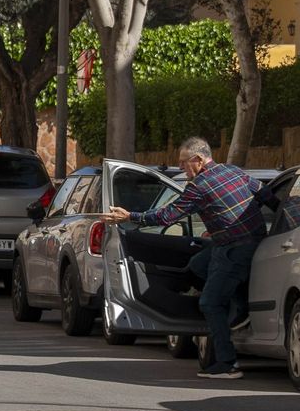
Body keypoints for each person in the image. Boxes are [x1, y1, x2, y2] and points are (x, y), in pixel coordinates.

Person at [105, 137, 275, 379]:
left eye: (184, 163)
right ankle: (236, 304)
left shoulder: (199, 186)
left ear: (198, 159)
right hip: (244, 242)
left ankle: (228, 364)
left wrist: (131, 216)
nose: (182, 169)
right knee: (196, 264)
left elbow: (168, 216)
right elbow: (266, 194)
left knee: (210, 303)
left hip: (235, 250)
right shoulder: (232, 170)